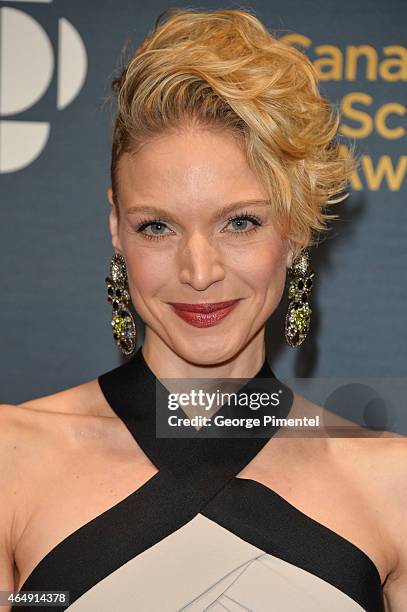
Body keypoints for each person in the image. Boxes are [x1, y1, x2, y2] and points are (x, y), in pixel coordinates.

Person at [1, 7, 406, 612]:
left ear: (293, 229)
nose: (199, 272)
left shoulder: (392, 482)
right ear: (116, 225)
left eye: (240, 222)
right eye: (157, 226)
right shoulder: (12, 457)